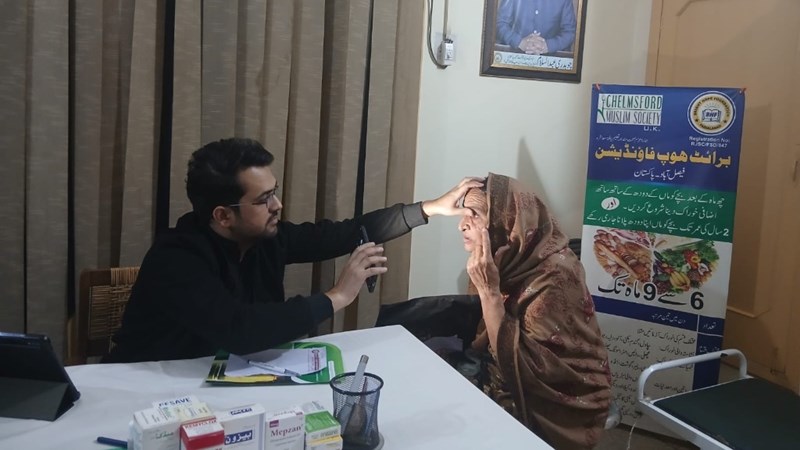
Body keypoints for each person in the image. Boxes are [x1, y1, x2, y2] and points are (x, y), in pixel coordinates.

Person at [104, 138, 482, 363]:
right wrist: (337, 296)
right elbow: (240, 330)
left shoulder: (267, 238)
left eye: (275, 192)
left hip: (222, 382)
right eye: (264, 199)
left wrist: (430, 208)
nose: (278, 205)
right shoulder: (177, 259)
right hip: (148, 388)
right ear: (222, 215)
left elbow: (344, 233)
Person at [458, 173, 611, 449]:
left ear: (508, 221)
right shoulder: (502, 259)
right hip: (503, 366)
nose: (462, 225)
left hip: (559, 394)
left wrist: (489, 293)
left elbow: (527, 368)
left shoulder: (555, 276)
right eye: (462, 214)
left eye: (474, 215)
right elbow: (480, 336)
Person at [496, 0, 577, 55]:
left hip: (552, 60)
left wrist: (549, 45)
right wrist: (519, 42)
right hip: (514, 55)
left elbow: (570, 32)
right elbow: (500, 23)